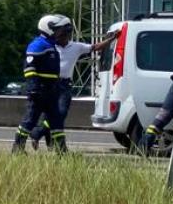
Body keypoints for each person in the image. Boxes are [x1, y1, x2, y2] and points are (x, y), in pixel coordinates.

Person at [30, 19, 119, 149]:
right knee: (48, 114)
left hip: (64, 85)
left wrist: (111, 40)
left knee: (61, 112)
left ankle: (38, 133)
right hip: (50, 83)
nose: (61, 38)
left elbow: (95, 47)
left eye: (63, 35)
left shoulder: (76, 47)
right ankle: (53, 144)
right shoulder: (51, 46)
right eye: (59, 35)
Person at [12, 15, 66, 154]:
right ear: (48, 29)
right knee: (30, 120)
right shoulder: (38, 44)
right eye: (57, 29)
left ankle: (62, 151)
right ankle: (17, 148)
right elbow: (29, 67)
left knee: (56, 121)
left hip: (52, 91)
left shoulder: (51, 45)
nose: (60, 32)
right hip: (39, 90)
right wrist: (33, 87)